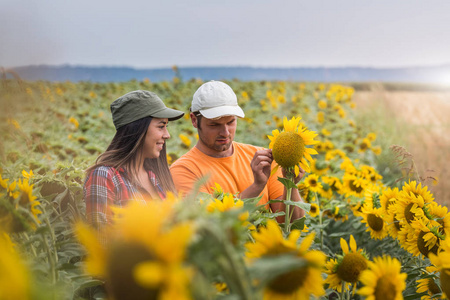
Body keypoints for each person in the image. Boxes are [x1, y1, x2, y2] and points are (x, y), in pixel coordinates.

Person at [170, 81, 305, 220]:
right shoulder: (183, 170)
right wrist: (257, 186)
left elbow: (290, 223)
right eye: (214, 125)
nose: (225, 132)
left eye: (231, 122)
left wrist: (291, 185)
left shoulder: (262, 158)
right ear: (194, 120)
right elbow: (209, 227)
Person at [83, 90, 184, 240]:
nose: (167, 135)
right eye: (161, 126)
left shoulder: (157, 177)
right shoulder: (104, 177)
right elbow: (101, 241)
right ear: (138, 129)